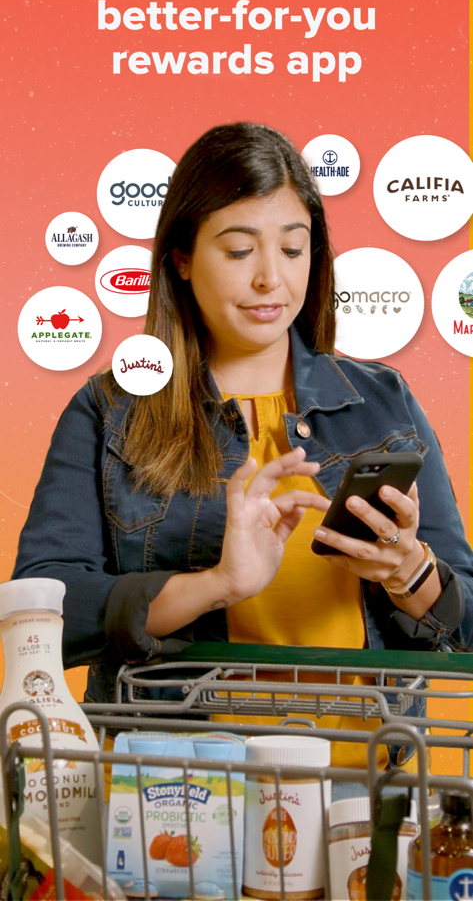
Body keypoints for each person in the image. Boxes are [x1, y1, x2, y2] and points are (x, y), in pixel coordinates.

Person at [13, 124, 473, 755]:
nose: (271, 281)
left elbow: (465, 619)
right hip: (182, 792)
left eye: (293, 249)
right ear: (181, 258)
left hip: (369, 787)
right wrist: (217, 584)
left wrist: (409, 572)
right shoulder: (110, 411)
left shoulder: (384, 402)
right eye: (238, 251)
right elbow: (42, 616)